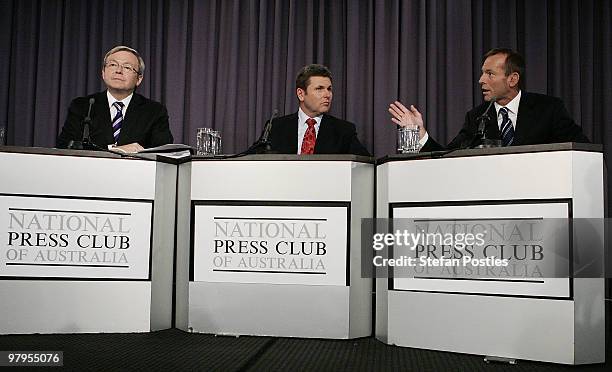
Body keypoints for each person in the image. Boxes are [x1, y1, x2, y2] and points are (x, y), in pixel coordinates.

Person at [388, 48, 589, 151]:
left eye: (490, 74)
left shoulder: (549, 109)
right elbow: (447, 158)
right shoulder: (477, 117)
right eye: (482, 73)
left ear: (512, 79)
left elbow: (583, 150)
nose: (481, 80)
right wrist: (418, 134)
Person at [57, 45, 173, 152]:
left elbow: (163, 152)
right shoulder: (83, 106)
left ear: (139, 79)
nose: (118, 71)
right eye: (113, 65)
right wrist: (114, 149)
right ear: (103, 73)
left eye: (127, 67)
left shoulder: (154, 111)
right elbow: (65, 146)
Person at [268, 64, 370, 156]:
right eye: (319, 89)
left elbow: (366, 165)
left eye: (329, 89)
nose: (327, 95)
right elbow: (254, 159)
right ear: (301, 94)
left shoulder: (343, 131)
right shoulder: (276, 127)